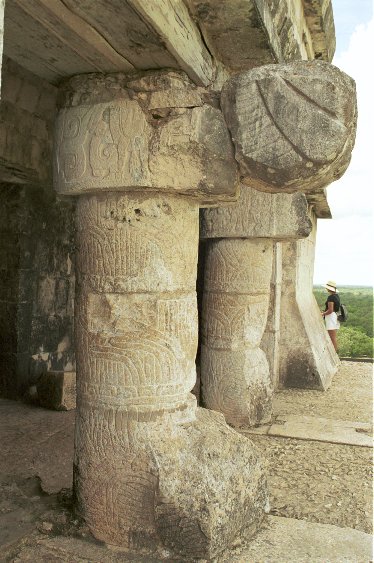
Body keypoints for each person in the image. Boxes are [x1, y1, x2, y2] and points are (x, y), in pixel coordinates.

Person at [321, 280, 340, 351]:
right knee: (333, 336)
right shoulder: (336, 296)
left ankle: (334, 352)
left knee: (332, 337)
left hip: (331, 316)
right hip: (335, 316)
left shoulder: (331, 297)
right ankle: (334, 352)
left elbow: (330, 310)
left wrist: (323, 313)